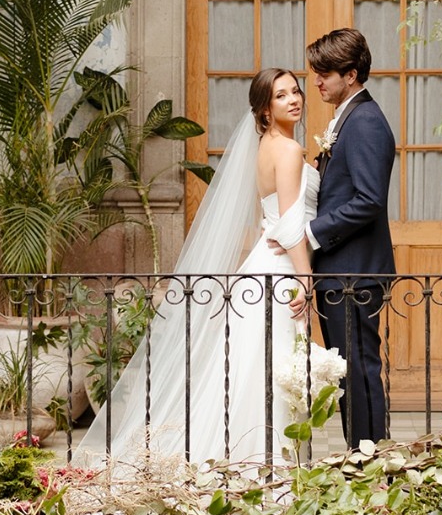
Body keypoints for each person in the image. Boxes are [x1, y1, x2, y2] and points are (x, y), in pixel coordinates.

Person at [75, 67, 319, 470]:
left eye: (296, 91)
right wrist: (305, 280)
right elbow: (290, 224)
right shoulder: (289, 151)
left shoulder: (267, 148)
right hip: (279, 271)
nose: (294, 99)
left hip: (261, 266)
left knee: (254, 372)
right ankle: (266, 468)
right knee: (270, 374)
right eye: (281, 95)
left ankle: (248, 464)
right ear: (263, 109)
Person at [297, 28, 396, 448]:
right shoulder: (348, 117)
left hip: (354, 273)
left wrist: (311, 234)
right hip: (340, 271)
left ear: (351, 74)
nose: (317, 82)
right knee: (348, 370)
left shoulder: (367, 121)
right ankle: (362, 455)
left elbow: (369, 199)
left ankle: (372, 459)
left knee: (359, 369)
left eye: (326, 74)